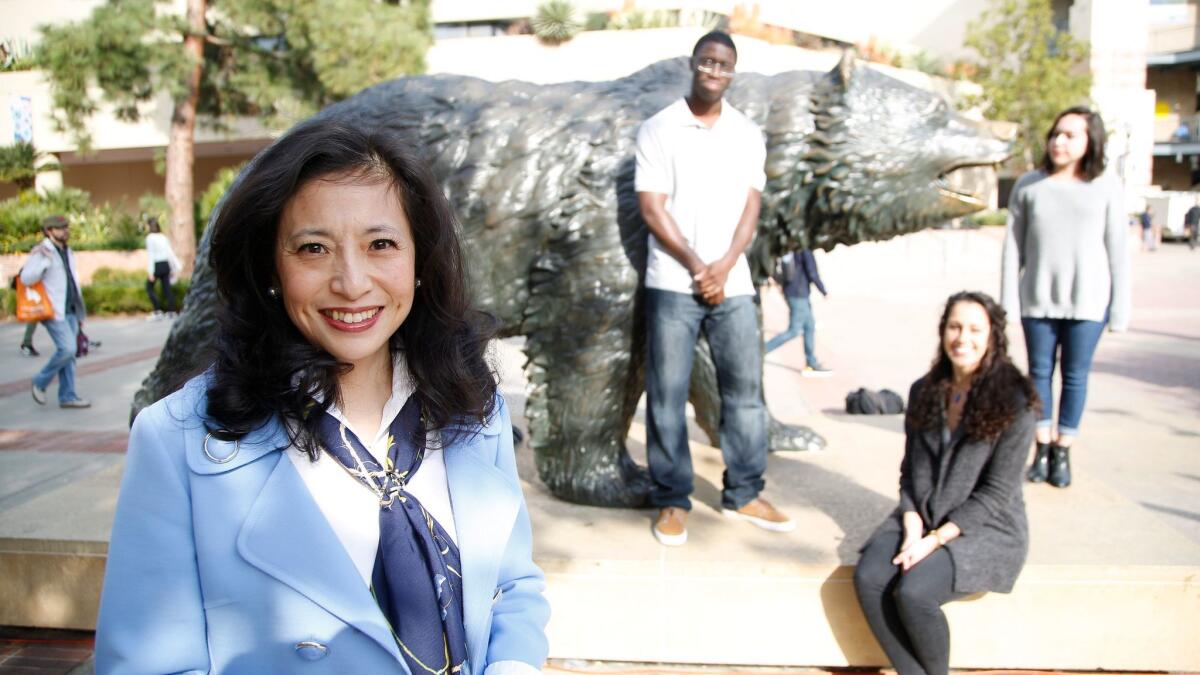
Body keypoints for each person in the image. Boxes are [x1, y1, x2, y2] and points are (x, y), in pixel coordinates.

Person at [95, 122, 550, 673]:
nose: (352, 282)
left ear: (419, 260)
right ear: (271, 268)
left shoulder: (473, 407)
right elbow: (150, 664)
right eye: (314, 248)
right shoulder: (176, 439)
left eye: (381, 244)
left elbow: (512, 585)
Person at [636, 30, 793, 547]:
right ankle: (672, 500)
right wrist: (698, 265)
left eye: (723, 64)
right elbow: (652, 207)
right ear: (694, 64)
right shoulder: (659, 129)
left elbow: (751, 207)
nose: (714, 70)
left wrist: (724, 267)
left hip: (735, 284)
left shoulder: (747, 133)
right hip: (672, 283)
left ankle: (745, 491)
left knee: (745, 395)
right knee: (667, 395)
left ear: (732, 71)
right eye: (707, 61)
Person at [854, 291, 1037, 675]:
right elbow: (909, 470)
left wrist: (934, 541)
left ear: (992, 336)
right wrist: (911, 524)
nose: (962, 338)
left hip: (985, 527)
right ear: (943, 332)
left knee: (914, 592)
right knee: (869, 578)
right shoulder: (924, 391)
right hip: (922, 514)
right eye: (955, 327)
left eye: (974, 329)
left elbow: (996, 494)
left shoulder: (1015, 401)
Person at [1001, 106, 1129, 489]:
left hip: (1088, 305)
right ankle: (1040, 446)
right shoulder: (1028, 186)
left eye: (1071, 135)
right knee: (1039, 373)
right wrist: (1006, 305)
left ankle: (1063, 448)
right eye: (1056, 133)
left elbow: (1118, 251)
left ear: (1090, 142)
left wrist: (1119, 309)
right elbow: (1013, 250)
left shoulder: (1106, 186)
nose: (1060, 141)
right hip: (1037, 301)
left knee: (1075, 376)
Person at [21, 215, 90, 409]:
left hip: (70, 309)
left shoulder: (67, 250)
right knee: (67, 349)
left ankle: (68, 396)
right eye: (60, 228)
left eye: (66, 227)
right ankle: (40, 381)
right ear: (49, 231)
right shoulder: (42, 252)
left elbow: (72, 281)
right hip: (53, 311)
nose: (65, 231)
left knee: (70, 353)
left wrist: (79, 313)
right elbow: (26, 278)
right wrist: (45, 262)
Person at [764, 248, 832, 376]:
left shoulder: (793, 247)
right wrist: (823, 291)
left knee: (809, 326)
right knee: (794, 330)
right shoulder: (806, 250)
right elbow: (812, 273)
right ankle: (760, 351)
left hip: (793, 292)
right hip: (799, 294)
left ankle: (811, 362)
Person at [143, 216, 181, 320]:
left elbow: (151, 255)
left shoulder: (150, 238)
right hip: (165, 265)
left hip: (157, 265)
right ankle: (172, 312)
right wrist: (176, 266)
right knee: (167, 289)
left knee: (149, 288)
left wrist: (150, 272)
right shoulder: (163, 237)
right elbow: (170, 252)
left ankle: (157, 311)